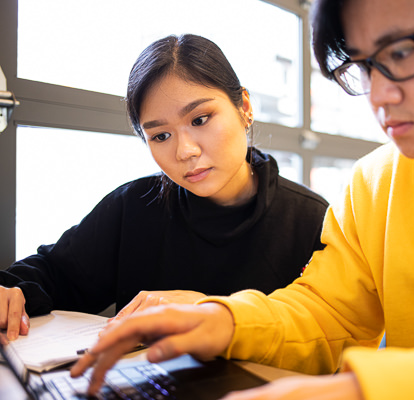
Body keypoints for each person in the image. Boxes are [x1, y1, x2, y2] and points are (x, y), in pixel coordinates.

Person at [71, 0, 414, 399]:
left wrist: (362, 390)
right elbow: (329, 313)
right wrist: (226, 320)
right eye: (361, 66)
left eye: (401, 52)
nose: (379, 95)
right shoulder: (378, 179)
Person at [0, 34, 328, 342]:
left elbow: (328, 335)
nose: (184, 151)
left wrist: (211, 312)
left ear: (244, 107)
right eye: (160, 136)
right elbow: (53, 273)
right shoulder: (135, 206)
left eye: (200, 119)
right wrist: (11, 290)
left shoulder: (312, 220)